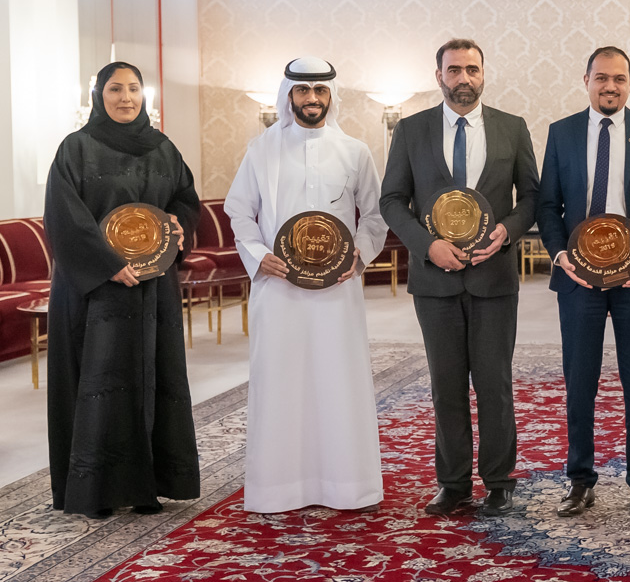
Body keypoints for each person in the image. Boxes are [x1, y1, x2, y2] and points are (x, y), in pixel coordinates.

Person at [380, 39, 539, 517]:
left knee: (494, 385)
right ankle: (452, 484)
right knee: (446, 386)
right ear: (439, 76)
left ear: (484, 74)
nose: (463, 78)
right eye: (454, 70)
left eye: (472, 69)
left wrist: (507, 232)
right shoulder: (411, 130)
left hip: (494, 279)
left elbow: (532, 196)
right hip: (435, 282)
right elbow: (392, 200)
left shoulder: (512, 127)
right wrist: (426, 245)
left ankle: (499, 482)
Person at [224, 57, 388, 514]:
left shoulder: (355, 151)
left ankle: (347, 486)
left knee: (339, 379)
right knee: (281, 381)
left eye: (320, 90)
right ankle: (279, 490)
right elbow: (239, 210)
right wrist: (258, 255)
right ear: (289, 95)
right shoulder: (262, 150)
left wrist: (359, 255)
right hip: (279, 289)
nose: (311, 99)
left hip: (338, 290)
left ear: (331, 96)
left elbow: (375, 215)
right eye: (302, 90)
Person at [43, 61, 200, 519]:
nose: (126, 97)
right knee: (100, 382)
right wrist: (108, 266)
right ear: (99, 95)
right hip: (95, 293)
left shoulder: (163, 148)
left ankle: (147, 486)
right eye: (115, 89)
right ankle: (96, 492)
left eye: (133, 88)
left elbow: (185, 199)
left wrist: (179, 225)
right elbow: (63, 216)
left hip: (153, 289)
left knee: (152, 377)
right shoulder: (76, 148)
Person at [535, 46, 630, 518]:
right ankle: (579, 481)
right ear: (586, 81)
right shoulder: (562, 132)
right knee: (580, 382)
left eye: (619, 78)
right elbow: (547, 205)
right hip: (579, 279)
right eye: (601, 78)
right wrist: (561, 257)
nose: (610, 86)